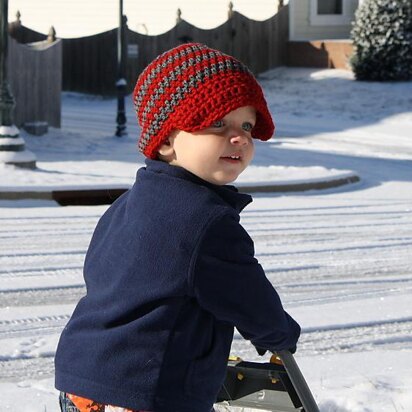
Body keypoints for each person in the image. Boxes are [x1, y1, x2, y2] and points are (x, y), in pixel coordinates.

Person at [55, 43, 301, 412]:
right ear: (168, 140)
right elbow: (248, 297)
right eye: (218, 123)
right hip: (148, 393)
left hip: (82, 382)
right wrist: (279, 333)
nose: (241, 137)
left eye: (246, 125)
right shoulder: (207, 221)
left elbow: (101, 272)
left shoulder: (129, 203)